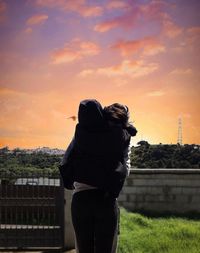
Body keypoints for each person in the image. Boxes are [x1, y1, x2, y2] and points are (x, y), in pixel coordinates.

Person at [61, 99, 137, 253]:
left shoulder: (81, 134)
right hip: (106, 199)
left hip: (81, 200)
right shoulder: (120, 136)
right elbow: (125, 170)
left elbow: (66, 161)